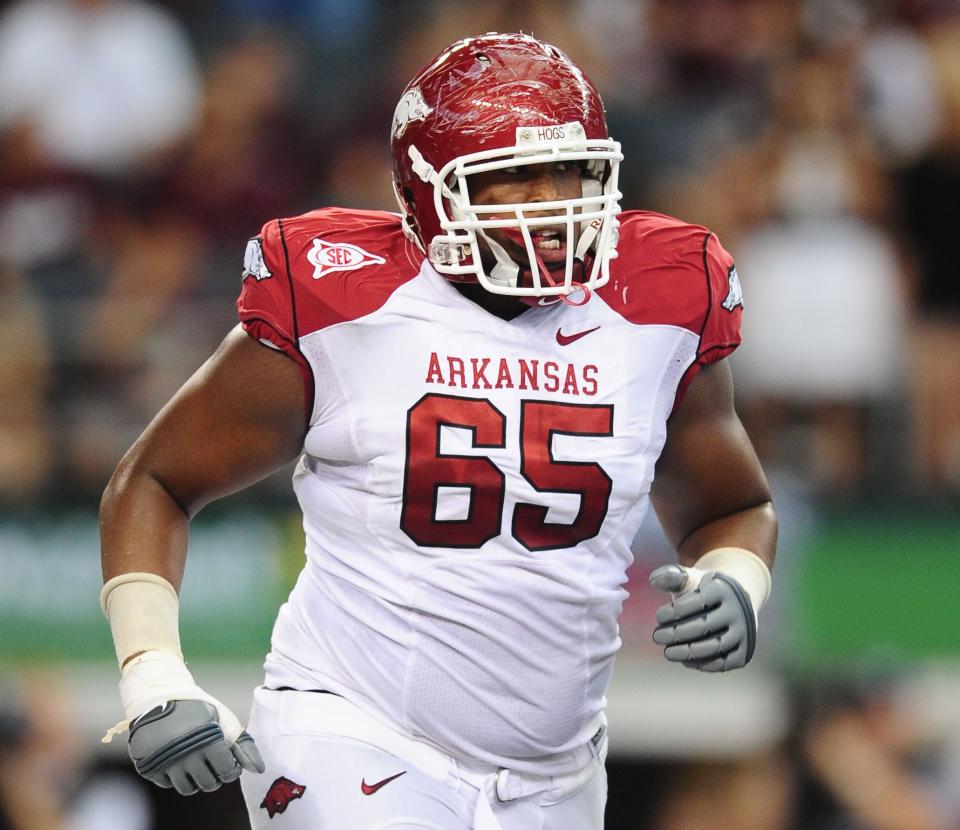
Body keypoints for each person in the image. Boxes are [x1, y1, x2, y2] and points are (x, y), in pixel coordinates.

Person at [99, 33, 777, 830]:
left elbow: (731, 505)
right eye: (515, 178)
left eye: (572, 171)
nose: (555, 205)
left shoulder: (662, 298)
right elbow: (154, 480)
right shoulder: (346, 297)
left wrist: (736, 579)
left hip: (556, 776)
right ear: (428, 196)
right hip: (353, 731)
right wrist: (152, 675)